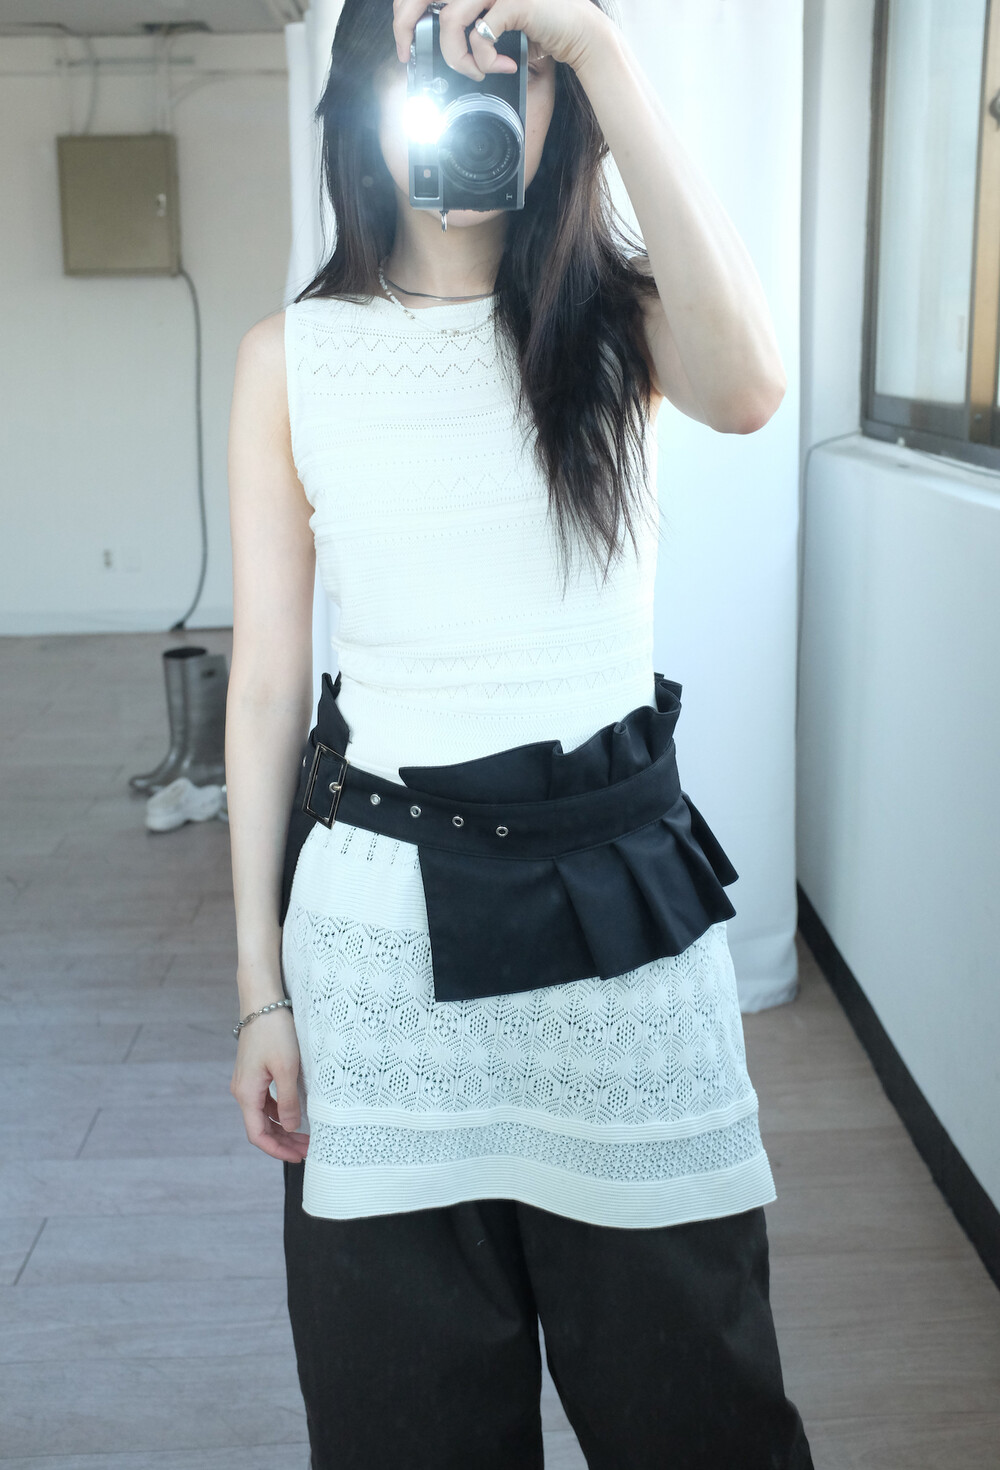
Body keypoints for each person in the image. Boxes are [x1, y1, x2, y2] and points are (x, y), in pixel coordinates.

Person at [226, 2, 814, 1466]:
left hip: (620, 933)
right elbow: (269, 684)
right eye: (427, 45)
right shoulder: (290, 357)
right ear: (366, 91)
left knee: (703, 1418)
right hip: (380, 951)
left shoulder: (621, 324)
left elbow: (752, 387)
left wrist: (601, 46)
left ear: (566, 102)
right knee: (405, 1429)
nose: (476, 82)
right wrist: (257, 991)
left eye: (516, 56)